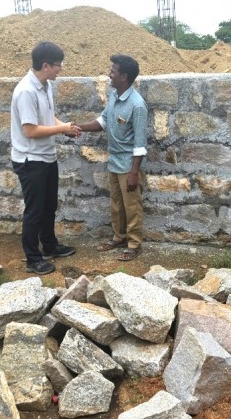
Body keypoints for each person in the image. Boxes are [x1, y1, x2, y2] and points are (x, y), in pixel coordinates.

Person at [10, 41, 79, 274]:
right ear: (46, 65)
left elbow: (49, 117)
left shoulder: (45, 85)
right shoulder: (26, 91)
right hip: (31, 160)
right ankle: (32, 258)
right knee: (34, 210)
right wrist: (62, 129)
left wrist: (66, 126)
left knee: (49, 206)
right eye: (58, 65)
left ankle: (50, 246)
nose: (61, 69)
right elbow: (30, 130)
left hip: (47, 157)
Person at [76, 54, 148, 261]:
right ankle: (119, 237)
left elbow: (140, 144)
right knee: (116, 203)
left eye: (113, 71)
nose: (109, 74)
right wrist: (75, 127)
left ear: (124, 76)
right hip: (115, 162)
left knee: (132, 206)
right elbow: (102, 122)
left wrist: (134, 173)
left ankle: (134, 244)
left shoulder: (137, 105)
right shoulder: (114, 96)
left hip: (129, 166)